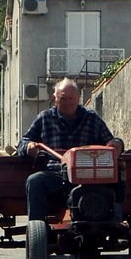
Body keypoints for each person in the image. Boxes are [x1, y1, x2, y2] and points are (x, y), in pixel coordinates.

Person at [17, 78, 124, 221]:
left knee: (118, 177)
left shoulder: (91, 118)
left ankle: (116, 219)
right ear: (54, 98)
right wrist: (28, 147)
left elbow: (111, 140)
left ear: (78, 98)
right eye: (63, 98)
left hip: (90, 175)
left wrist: (117, 144)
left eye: (70, 98)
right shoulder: (45, 118)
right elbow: (24, 142)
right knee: (35, 181)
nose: (67, 102)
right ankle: (38, 227)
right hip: (57, 174)